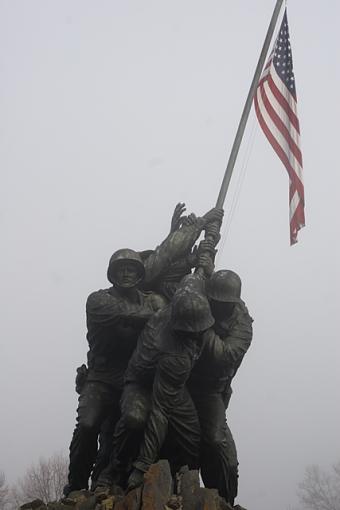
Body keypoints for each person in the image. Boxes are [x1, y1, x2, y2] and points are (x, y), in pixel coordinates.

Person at [96, 275, 215, 491]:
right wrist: (142, 467)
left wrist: (205, 260)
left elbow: (194, 277)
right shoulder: (174, 356)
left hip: (173, 385)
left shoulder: (185, 296)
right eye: (195, 331)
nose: (200, 333)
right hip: (141, 382)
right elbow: (160, 412)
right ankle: (115, 469)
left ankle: (182, 483)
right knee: (134, 418)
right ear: (184, 330)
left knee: (192, 436)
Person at [64, 249, 166, 495]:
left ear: (140, 274)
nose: (126, 273)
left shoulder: (151, 300)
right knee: (88, 425)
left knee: (133, 422)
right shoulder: (98, 300)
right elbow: (126, 313)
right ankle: (76, 486)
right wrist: (153, 315)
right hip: (101, 376)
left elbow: (166, 322)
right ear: (111, 274)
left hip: (133, 377)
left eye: (132, 269)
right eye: (121, 269)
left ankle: (110, 476)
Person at [187, 269, 253, 506]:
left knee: (216, 442)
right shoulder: (199, 297)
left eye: (226, 303)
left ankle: (223, 500)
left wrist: (201, 322)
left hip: (210, 391)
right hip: (178, 383)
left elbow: (225, 356)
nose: (219, 307)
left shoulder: (243, 325)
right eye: (215, 302)